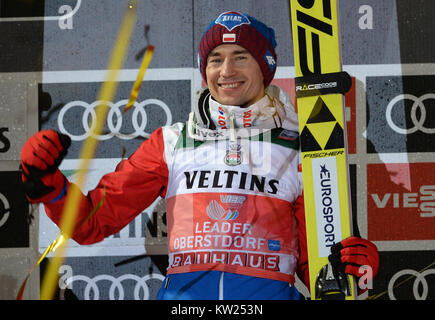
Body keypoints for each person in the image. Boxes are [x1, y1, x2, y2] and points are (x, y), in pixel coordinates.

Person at [20, 11, 378, 300]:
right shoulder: (172, 142)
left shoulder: (302, 147)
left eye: (241, 57)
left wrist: (351, 268)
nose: (226, 71)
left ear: (266, 66)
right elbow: (91, 223)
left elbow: (315, 266)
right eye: (215, 59)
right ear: (204, 71)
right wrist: (47, 184)